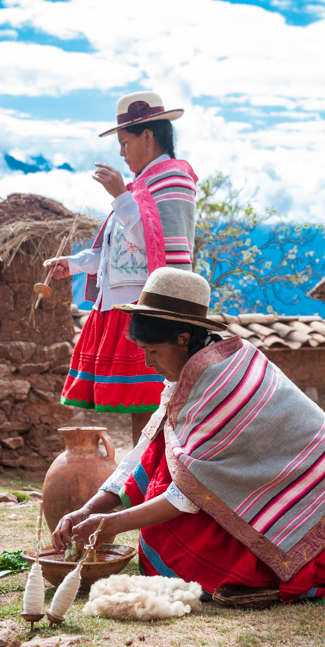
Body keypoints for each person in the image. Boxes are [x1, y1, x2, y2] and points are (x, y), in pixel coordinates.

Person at [53, 268, 325, 605]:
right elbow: (145, 454)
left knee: (176, 542)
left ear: (183, 339)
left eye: (153, 351)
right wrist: (88, 509)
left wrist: (110, 524)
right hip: (313, 492)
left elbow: (184, 496)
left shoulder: (222, 382)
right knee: (163, 456)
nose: (148, 362)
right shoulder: (197, 368)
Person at [46, 91, 198, 445]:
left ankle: (152, 476)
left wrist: (121, 197)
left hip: (151, 309)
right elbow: (120, 250)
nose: (121, 152)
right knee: (141, 406)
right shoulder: (140, 189)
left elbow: (159, 246)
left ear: (148, 137)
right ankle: (145, 474)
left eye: (125, 142)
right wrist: (75, 264)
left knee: (151, 401)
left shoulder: (173, 182)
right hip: (123, 308)